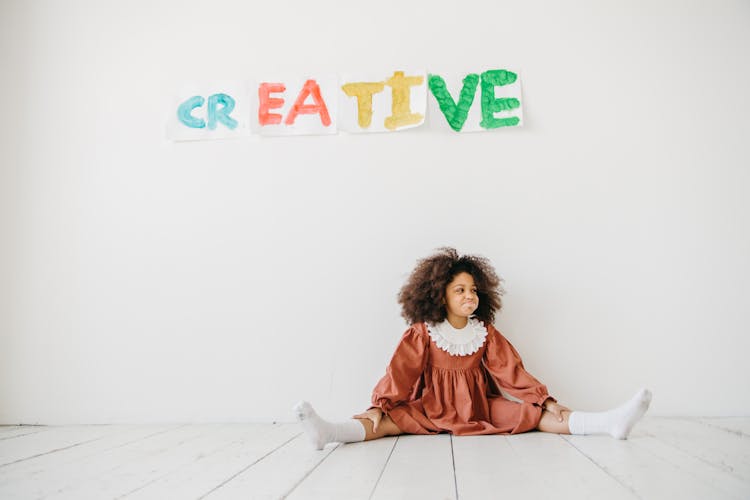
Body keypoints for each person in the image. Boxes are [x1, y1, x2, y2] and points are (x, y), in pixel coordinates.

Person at [294, 247, 652, 449]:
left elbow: (511, 372)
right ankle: (331, 431)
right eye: (460, 290)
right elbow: (399, 374)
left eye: (473, 290)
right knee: (385, 422)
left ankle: (606, 423)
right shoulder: (424, 333)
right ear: (440, 296)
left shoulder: (485, 334)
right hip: (431, 408)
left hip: (480, 408)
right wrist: (379, 405)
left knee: (533, 416)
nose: (470, 296)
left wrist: (544, 399)